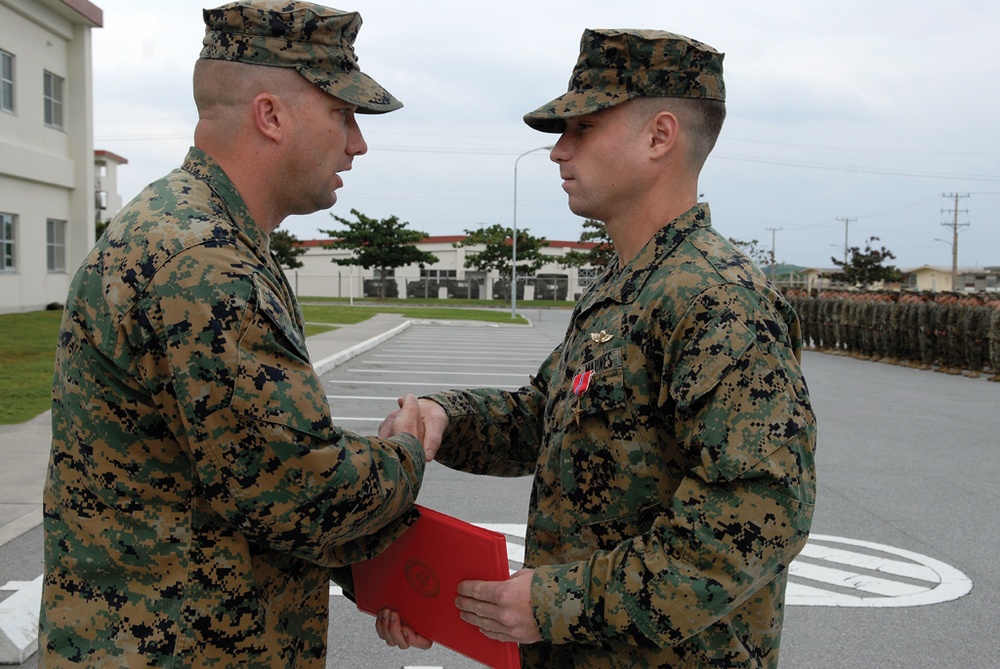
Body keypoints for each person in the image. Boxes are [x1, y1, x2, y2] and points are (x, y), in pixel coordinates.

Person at [378, 28, 817, 668]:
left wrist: (558, 605)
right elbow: (546, 415)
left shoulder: (717, 300)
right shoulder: (627, 287)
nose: (559, 151)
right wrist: (449, 416)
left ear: (659, 136)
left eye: (582, 128)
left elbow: (753, 518)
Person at [39, 2, 427, 667]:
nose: (357, 142)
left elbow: (230, 484)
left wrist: (372, 574)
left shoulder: (197, 232)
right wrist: (412, 450)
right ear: (270, 116)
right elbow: (298, 490)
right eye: (342, 113)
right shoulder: (204, 261)